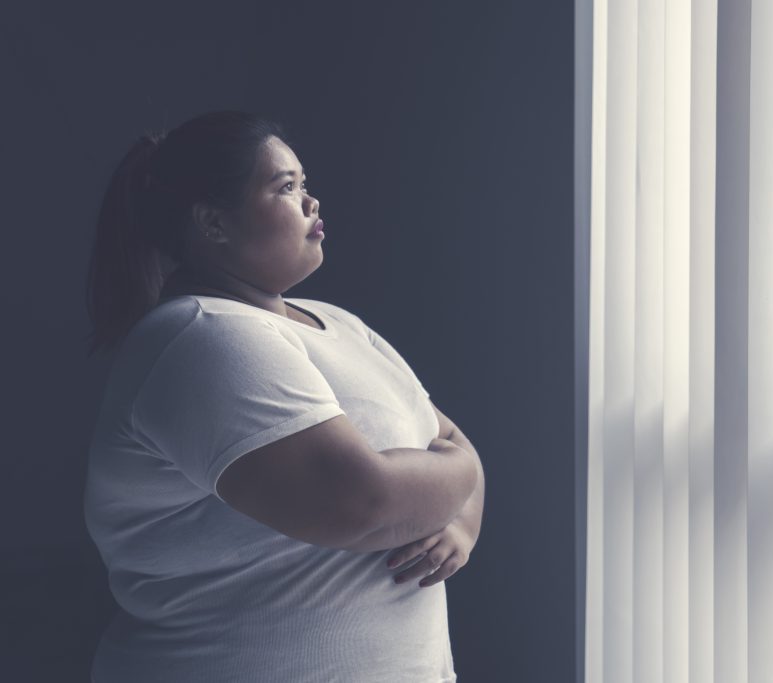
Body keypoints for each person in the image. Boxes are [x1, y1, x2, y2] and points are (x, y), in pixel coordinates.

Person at [82, 110, 485, 682]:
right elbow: (361, 505)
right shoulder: (201, 335)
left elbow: (443, 440)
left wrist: (460, 521)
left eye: (305, 184)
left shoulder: (337, 324)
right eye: (286, 187)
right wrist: (463, 472)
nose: (311, 202)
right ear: (213, 224)